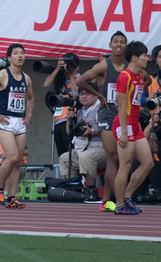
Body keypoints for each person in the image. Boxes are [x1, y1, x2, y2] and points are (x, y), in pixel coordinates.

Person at [76, 31, 135, 212]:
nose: (119, 45)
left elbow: (145, 80)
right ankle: (117, 200)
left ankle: (106, 200)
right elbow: (80, 81)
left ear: (126, 46)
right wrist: (100, 96)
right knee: (113, 157)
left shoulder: (129, 66)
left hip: (124, 114)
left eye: (123, 42)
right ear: (110, 45)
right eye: (116, 42)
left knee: (122, 159)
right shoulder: (104, 65)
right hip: (108, 114)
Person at [0, 43, 34, 209]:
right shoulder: (3, 75)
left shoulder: (27, 78)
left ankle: (12, 197)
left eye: (22, 53)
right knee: (12, 157)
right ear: (9, 58)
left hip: (20, 122)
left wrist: (29, 113)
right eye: (16, 53)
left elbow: (31, 98)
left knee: (17, 162)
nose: (20, 56)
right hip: (5, 121)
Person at [112, 41, 154, 215]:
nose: (147, 58)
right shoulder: (125, 76)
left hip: (135, 125)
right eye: (144, 55)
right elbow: (121, 106)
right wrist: (123, 132)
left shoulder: (138, 77)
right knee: (125, 165)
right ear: (135, 58)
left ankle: (127, 196)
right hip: (125, 125)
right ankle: (119, 204)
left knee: (148, 163)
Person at [58, 90, 106, 192]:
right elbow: (70, 134)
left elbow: (108, 130)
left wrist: (91, 131)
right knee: (65, 158)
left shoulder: (101, 109)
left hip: (102, 149)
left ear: (96, 96)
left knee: (86, 156)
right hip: (83, 148)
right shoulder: (79, 111)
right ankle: (74, 190)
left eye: (87, 93)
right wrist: (68, 119)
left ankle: (91, 190)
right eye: (81, 94)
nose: (84, 96)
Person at [42, 53, 79, 157]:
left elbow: (74, 94)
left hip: (71, 120)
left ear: (77, 67)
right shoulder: (59, 79)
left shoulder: (80, 79)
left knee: (72, 155)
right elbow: (46, 85)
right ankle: (66, 174)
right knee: (63, 156)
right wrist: (58, 69)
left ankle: (75, 174)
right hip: (58, 121)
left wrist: (71, 75)